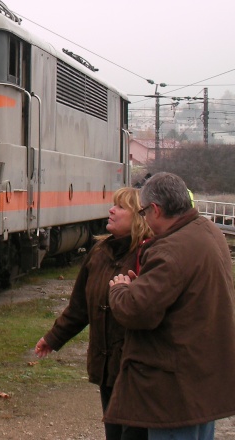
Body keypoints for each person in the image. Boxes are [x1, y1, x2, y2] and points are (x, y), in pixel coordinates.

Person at [106, 172, 235, 440]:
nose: (144, 218)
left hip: (175, 389)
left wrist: (121, 289)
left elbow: (136, 311)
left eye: (144, 212)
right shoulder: (208, 231)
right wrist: (146, 286)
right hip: (203, 379)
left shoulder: (171, 250)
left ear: (156, 210)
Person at [34, 187, 150, 440]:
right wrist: (53, 338)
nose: (111, 210)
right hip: (107, 367)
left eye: (120, 207)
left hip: (136, 369)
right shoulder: (99, 253)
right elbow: (79, 307)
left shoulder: (149, 254)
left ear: (139, 217)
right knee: (114, 431)